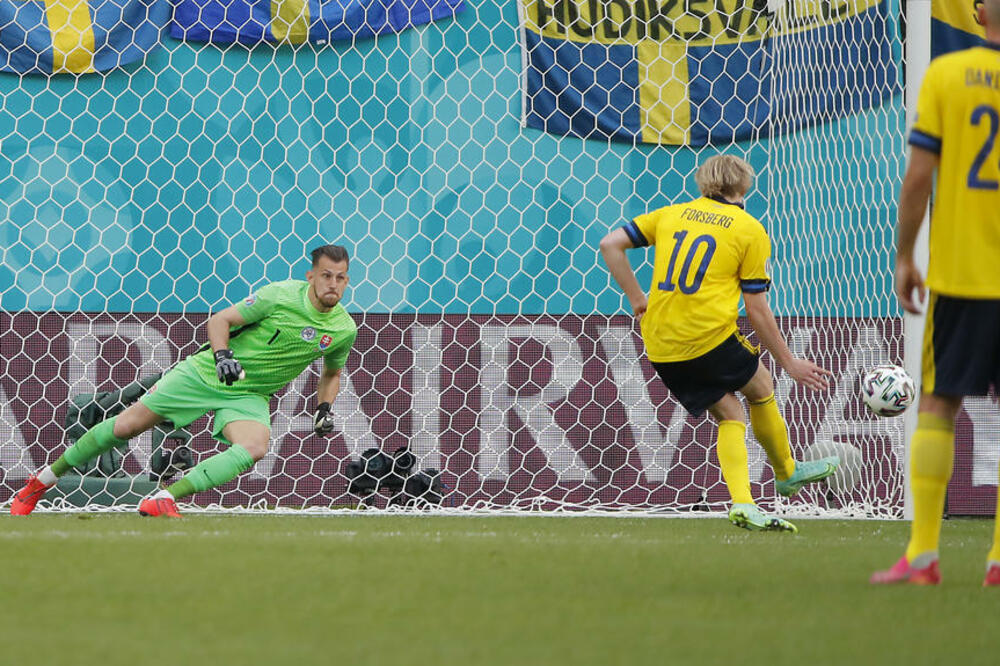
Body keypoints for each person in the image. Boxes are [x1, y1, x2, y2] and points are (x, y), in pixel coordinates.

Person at [11, 244, 358, 517]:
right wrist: (223, 356)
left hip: (250, 393)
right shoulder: (279, 295)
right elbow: (220, 320)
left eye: (341, 277)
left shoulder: (343, 329)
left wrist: (324, 407)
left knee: (254, 447)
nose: (333, 284)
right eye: (327, 275)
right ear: (311, 276)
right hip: (205, 372)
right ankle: (40, 482)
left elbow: (331, 373)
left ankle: (164, 498)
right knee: (126, 427)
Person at [600, 154, 838, 533]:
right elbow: (756, 309)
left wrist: (636, 299)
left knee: (730, 413)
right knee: (761, 387)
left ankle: (744, 503)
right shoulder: (749, 230)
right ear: (745, 185)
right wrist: (790, 361)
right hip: (706, 336)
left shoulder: (671, 214)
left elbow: (610, 244)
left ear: (703, 183)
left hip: (661, 342)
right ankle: (787, 472)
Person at [871, 0, 1000, 585]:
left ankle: (923, 555)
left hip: (963, 276)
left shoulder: (947, 75)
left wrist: (903, 257)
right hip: (967, 276)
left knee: (937, 404)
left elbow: (919, 176)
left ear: (977, 13)